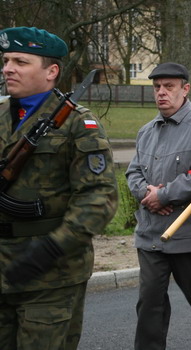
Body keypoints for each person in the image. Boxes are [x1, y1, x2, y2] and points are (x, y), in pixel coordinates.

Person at [0, 27, 118, 349]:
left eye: (20, 61)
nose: (8, 68)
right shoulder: (0, 115)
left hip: (51, 276)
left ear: (51, 71)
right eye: (7, 60)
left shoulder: (78, 124)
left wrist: (51, 249)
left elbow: (99, 198)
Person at [126, 62, 191, 350]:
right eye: (157, 87)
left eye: (169, 87)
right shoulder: (146, 131)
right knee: (150, 302)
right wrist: (147, 194)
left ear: (185, 89)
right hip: (150, 234)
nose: (161, 93)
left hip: (189, 235)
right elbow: (133, 172)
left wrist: (164, 196)